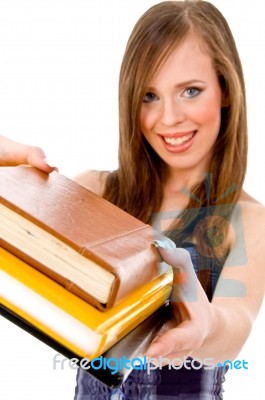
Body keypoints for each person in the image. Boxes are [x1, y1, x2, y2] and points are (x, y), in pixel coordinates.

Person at [1, 1, 264, 398]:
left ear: (225, 90)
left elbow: (235, 324)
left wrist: (204, 325)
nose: (169, 117)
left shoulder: (248, 220)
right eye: (149, 96)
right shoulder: (94, 192)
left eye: (190, 91)